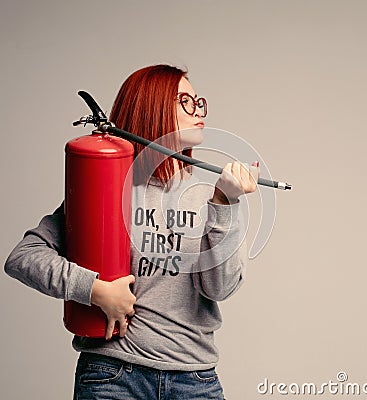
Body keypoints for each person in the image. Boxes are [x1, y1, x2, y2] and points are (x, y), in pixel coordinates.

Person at [4, 64, 260, 399]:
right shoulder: (107, 188)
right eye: (185, 101)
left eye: (199, 101)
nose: (198, 110)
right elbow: (22, 257)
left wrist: (225, 202)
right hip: (113, 376)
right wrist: (95, 290)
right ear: (152, 106)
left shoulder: (211, 195)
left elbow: (220, 288)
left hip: (194, 380)